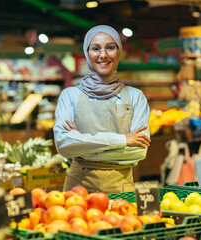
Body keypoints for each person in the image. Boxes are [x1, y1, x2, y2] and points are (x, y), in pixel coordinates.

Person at [53, 25, 151, 194]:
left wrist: (83, 146)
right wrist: (122, 140)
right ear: (87, 52)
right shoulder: (70, 96)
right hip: (78, 189)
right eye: (96, 48)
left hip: (121, 187)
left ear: (118, 52)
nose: (103, 55)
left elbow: (138, 151)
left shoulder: (136, 97)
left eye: (110, 47)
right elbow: (64, 145)